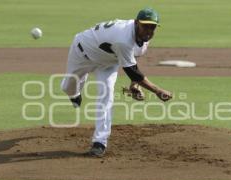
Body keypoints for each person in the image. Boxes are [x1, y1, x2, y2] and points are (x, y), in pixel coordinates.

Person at [61, 8, 172, 157]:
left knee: (106, 93)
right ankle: (75, 92)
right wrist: (158, 90)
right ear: (136, 22)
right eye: (145, 25)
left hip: (108, 62)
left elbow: (133, 62)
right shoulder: (123, 39)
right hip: (83, 53)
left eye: (153, 27)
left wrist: (134, 85)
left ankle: (100, 142)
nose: (149, 30)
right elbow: (133, 71)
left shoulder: (144, 38)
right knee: (68, 87)